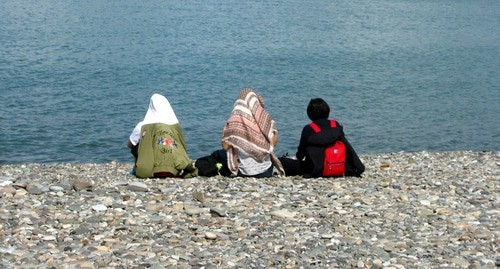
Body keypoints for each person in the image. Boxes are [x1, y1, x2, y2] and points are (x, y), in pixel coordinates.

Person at [282, 98, 364, 177]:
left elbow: (300, 155)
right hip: (339, 166)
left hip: (315, 170)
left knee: (283, 161)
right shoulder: (335, 125)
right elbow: (348, 147)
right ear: (328, 111)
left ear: (309, 114)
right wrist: (358, 166)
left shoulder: (308, 129)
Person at [218, 88, 285, 178]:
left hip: (243, 173)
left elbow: (226, 147)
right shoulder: (264, 120)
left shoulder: (233, 122)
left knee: (219, 154)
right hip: (266, 171)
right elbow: (273, 143)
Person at [128, 93, 197, 178]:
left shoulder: (143, 125)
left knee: (137, 142)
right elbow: (182, 145)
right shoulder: (175, 125)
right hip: (174, 170)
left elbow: (130, 144)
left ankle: (142, 165)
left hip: (150, 171)